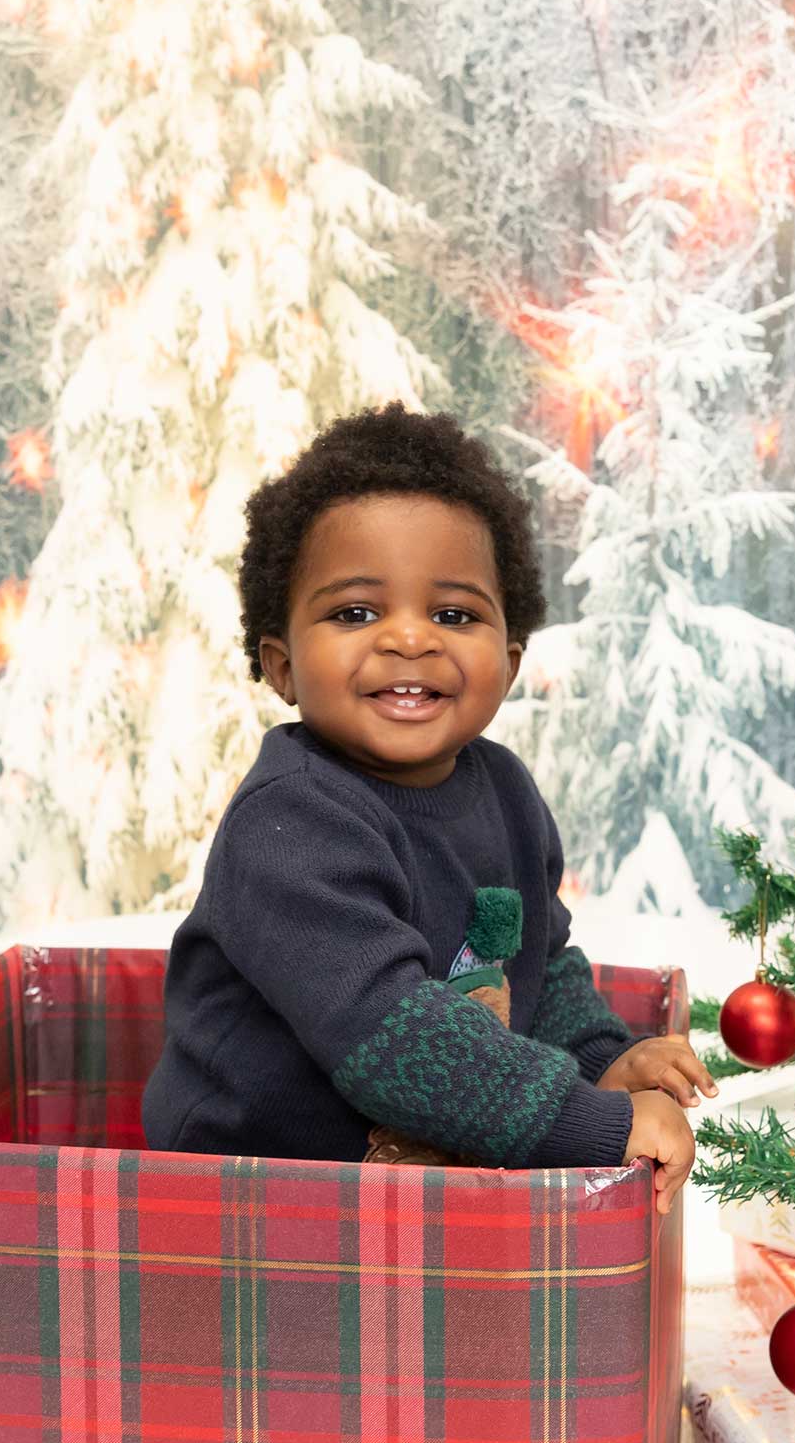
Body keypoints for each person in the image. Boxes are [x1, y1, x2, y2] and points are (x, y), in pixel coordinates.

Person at [142, 401, 713, 1213]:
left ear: (508, 660)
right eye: (355, 612)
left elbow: (536, 963)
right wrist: (590, 1122)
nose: (410, 640)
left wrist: (602, 1059)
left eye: (453, 614)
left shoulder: (505, 792)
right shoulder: (288, 824)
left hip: (416, 1185)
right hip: (249, 1187)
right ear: (281, 665)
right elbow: (392, 1032)